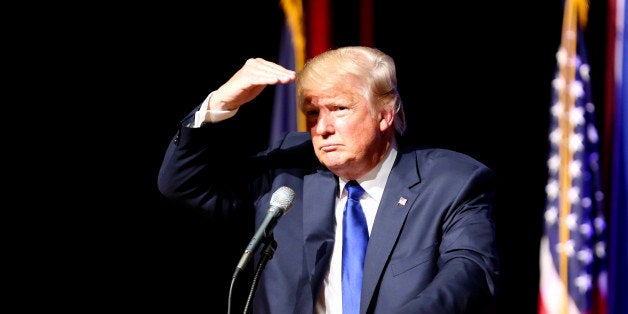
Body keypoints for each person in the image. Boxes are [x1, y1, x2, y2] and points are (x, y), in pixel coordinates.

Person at [158, 46, 499, 313]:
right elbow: (185, 184)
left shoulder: (451, 182)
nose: (321, 128)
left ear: (385, 114)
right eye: (312, 113)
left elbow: (469, 272)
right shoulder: (289, 169)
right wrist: (218, 103)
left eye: (339, 109)